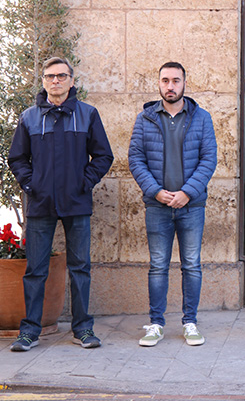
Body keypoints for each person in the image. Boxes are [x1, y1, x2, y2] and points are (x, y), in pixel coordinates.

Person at [7, 56, 114, 352]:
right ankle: (29, 331)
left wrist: (85, 182)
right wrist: (31, 185)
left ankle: (83, 328)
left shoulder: (88, 114)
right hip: (40, 205)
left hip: (77, 203)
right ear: (43, 80)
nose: (56, 81)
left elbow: (103, 155)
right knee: (36, 270)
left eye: (61, 76)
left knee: (80, 267)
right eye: (50, 76)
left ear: (72, 80)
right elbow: (17, 157)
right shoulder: (29, 117)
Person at [129, 62, 218, 347]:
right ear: (159, 83)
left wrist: (188, 192)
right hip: (157, 206)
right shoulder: (145, 118)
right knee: (158, 266)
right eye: (165, 80)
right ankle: (156, 324)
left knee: (191, 265)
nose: (170, 86)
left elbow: (209, 159)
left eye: (175, 80)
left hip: (191, 206)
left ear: (184, 83)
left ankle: (190, 322)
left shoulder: (201, 118)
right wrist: (155, 191)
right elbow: (135, 159)